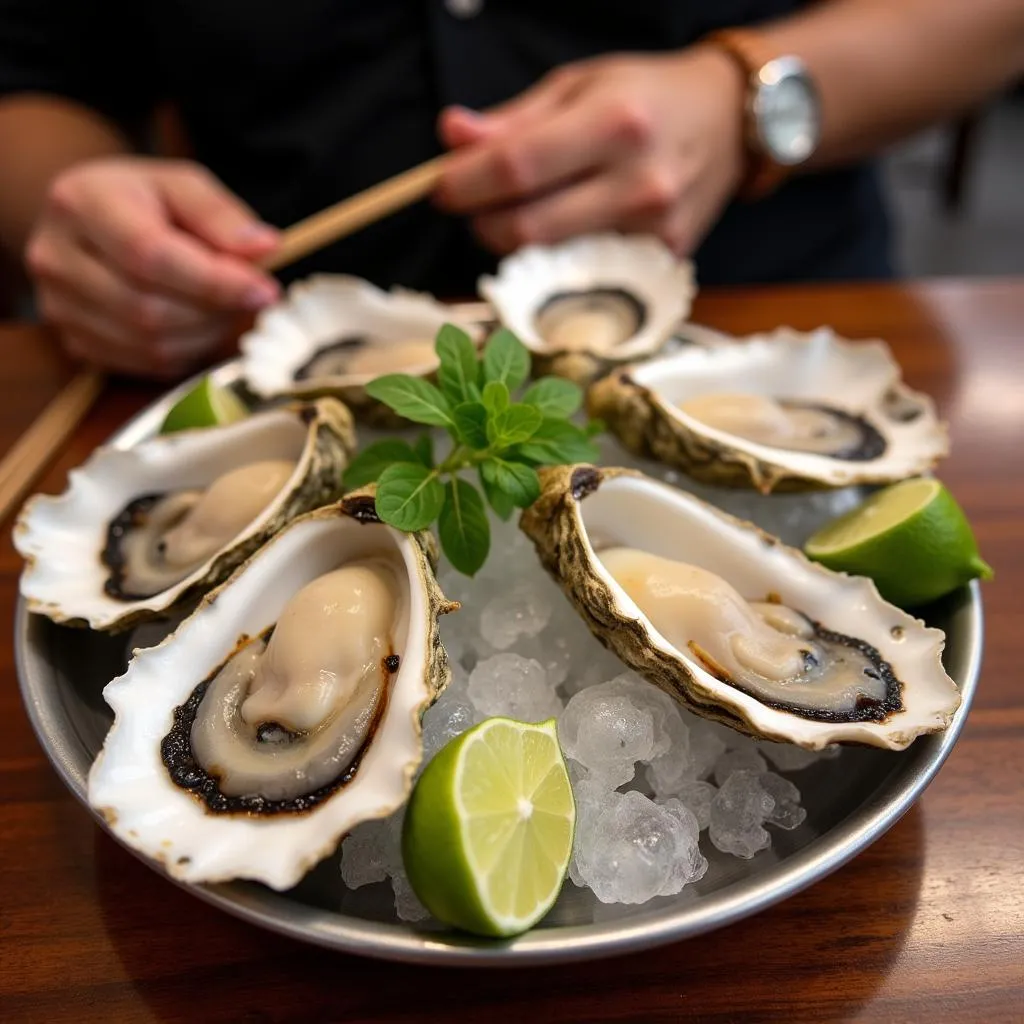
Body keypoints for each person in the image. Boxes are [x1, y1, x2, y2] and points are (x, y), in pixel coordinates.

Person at [0, 0, 1022, 380]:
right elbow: (29, 75)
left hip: (771, 314)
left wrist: (743, 99)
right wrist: (81, 204)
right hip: (255, 351)